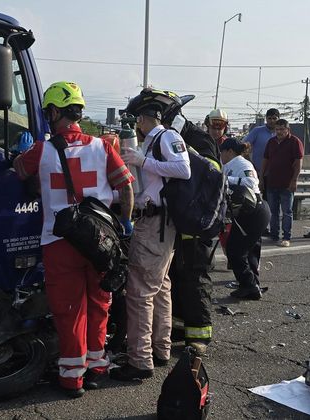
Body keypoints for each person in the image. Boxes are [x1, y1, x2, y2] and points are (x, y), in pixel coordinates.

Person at [13, 81, 134, 398]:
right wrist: (125, 223)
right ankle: (97, 368)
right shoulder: (102, 147)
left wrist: (19, 152)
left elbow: (19, 170)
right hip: (100, 240)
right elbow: (126, 187)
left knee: (69, 310)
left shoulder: (41, 151)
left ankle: (71, 378)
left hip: (59, 241)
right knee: (100, 304)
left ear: (54, 112)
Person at [110, 88, 191, 382]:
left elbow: (183, 169)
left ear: (144, 119)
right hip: (158, 224)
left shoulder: (166, 137)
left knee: (140, 292)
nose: (136, 127)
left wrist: (142, 161)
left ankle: (140, 360)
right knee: (160, 288)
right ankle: (160, 349)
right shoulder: (153, 141)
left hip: (155, 223)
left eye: (137, 121)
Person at [169, 107, 221, 357]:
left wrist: (185, 154)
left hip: (198, 221)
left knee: (195, 279)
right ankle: (179, 329)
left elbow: (210, 172)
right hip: (181, 220)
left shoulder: (199, 140)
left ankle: (200, 334)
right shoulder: (175, 137)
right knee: (177, 276)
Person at [220, 138, 271, 299]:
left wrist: (226, 180)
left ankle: (249, 286)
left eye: (222, 152)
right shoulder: (228, 165)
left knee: (235, 250)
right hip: (248, 211)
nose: (221, 156)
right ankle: (252, 283)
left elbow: (251, 182)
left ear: (229, 151)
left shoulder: (242, 164)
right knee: (249, 250)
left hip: (254, 210)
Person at [262, 119, 303, 247]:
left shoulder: (294, 141)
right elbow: (265, 159)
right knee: (273, 211)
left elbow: (298, 162)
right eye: (277, 129)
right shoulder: (271, 142)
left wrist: (294, 180)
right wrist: (261, 177)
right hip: (272, 182)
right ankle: (274, 235)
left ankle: (286, 237)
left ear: (287, 130)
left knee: (286, 212)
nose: (279, 132)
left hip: (287, 183)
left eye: (282, 129)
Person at [244, 108, 280, 237]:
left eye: (274, 118)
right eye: (269, 118)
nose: (272, 121)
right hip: (257, 173)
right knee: (256, 201)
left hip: (274, 174)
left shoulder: (281, 133)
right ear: (266, 119)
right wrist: (250, 164)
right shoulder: (257, 131)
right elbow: (244, 146)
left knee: (271, 203)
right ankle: (256, 227)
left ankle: (270, 228)